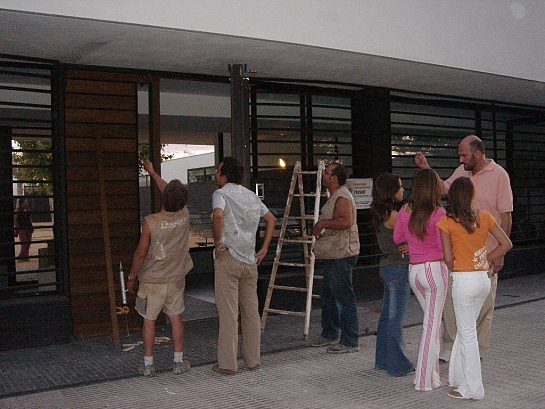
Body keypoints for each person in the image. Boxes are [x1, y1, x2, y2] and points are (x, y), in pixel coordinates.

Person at [415, 135, 513, 361]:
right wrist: (427, 168)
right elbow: (443, 189)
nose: (460, 159)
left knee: (484, 308)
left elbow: (506, 216)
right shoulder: (462, 172)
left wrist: (499, 254)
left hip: (487, 255)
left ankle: (477, 351)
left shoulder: (499, 176)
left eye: (464, 155)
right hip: (459, 257)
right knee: (451, 304)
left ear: (477, 154)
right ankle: (450, 346)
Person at [437, 177, 512, 400]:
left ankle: (472, 388)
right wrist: (486, 259)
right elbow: (506, 244)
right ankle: (459, 377)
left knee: (467, 333)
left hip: (463, 279)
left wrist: (463, 264)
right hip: (483, 279)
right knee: (466, 330)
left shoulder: (447, 222)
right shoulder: (485, 217)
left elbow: (448, 259)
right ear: (471, 195)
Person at [126, 160, 193, 377]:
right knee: (175, 317)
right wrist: (154, 173)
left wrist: (131, 277)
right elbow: (171, 193)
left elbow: (140, 252)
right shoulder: (185, 215)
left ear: (164, 199)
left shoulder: (150, 222)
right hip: (175, 278)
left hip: (152, 281)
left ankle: (147, 364)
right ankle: (178, 362)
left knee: (149, 320)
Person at [211, 156, 276, 374]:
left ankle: (228, 364)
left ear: (225, 174)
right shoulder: (252, 196)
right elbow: (271, 219)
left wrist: (218, 242)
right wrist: (264, 247)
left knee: (229, 313)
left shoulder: (220, 194)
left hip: (229, 257)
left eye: (218, 171)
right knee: (250, 312)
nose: (216, 175)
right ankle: (253, 359)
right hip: (250, 260)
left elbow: (218, 216)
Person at [393, 168, 448, 391]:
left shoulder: (405, 210)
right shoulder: (438, 213)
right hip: (435, 270)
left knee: (431, 323)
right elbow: (442, 245)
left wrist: (411, 243)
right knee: (432, 326)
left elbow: (398, 237)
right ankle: (424, 379)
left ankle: (432, 376)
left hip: (414, 271)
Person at [311, 162, 360, 354]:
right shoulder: (335, 196)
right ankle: (330, 333)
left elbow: (346, 221)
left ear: (334, 177)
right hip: (334, 252)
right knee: (329, 295)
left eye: (327, 172)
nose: (323, 175)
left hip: (342, 254)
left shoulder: (342, 196)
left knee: (343, 296)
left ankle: (349, 339)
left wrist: (322, 223)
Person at [371, 173, 414, 376]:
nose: (403, 190)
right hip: (398, 267)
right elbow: (413, 236)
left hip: (387, 266)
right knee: (396, 318)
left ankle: (383, 359)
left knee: (387, 317)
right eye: (399, 187)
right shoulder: (395, 215)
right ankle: (398, 364)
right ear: (391, 191)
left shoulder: (380, 213)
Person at [14, 198, 34, 262]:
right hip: (22, 229)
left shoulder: (28, 210)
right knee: (24, 243)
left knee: (28, 242)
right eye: (25, 202)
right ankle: (20, 257)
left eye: (26, 202)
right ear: (21, 204)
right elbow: (15, 220)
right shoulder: (17, 211)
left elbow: (30, 218)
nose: (26, 203)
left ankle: (25, 256)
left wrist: (31, 225)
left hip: (28, 228)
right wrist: (17, 228)